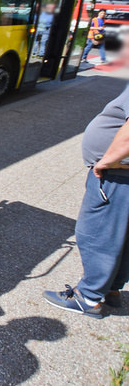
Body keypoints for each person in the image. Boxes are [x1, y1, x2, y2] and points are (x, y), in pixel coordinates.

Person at [44, 40, 129, 318]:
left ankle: (88, 297)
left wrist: (108, 160)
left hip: (117, 172)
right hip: (122, 172)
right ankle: (111, 289)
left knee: (96, 234)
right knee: (119, 234)